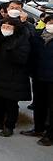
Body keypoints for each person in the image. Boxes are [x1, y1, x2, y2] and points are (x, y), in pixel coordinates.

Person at [0, 18, 31, 137]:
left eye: (8, 27)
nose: (5, 29)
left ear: (15, 29)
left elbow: (22, 59)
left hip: (14, 76)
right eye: (3, 26)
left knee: (11, 103)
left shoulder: (21, 40)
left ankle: (9, 126)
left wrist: (11, 51)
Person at [22, 15, 53, 146]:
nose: (51, 24)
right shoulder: (38, 36)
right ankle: (38, 128)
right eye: (49, 22)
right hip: (38, 75)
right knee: (39, 104)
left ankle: (50, 135)